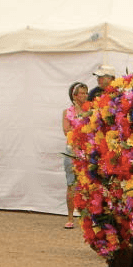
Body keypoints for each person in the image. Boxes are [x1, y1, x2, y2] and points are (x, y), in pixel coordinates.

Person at [62, 81, 88, 229]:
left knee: (87, 185)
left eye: (86, 93)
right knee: (71, 184)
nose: (84, 96)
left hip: (87, 149)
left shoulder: (90, 110)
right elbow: (66, 130)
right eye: (82, 93)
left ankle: (86, 216)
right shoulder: (68, 112)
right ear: (74, 95)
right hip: (73, 150)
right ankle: (70, 216)